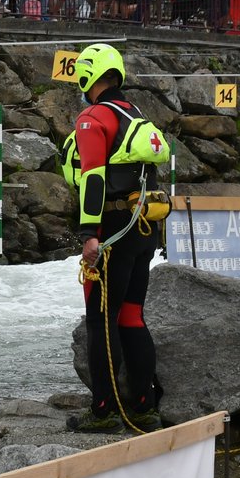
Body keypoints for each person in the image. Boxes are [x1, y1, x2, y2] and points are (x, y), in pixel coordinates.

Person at [67, 44, 167, 432]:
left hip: (112, 232)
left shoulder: (93, 117)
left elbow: (93, 176)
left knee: (100, 321)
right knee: (131, 316)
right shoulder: (135, 114)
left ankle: (104, 410)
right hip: (144, 230)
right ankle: (143, 407)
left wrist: (89, 234)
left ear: (88, 74)